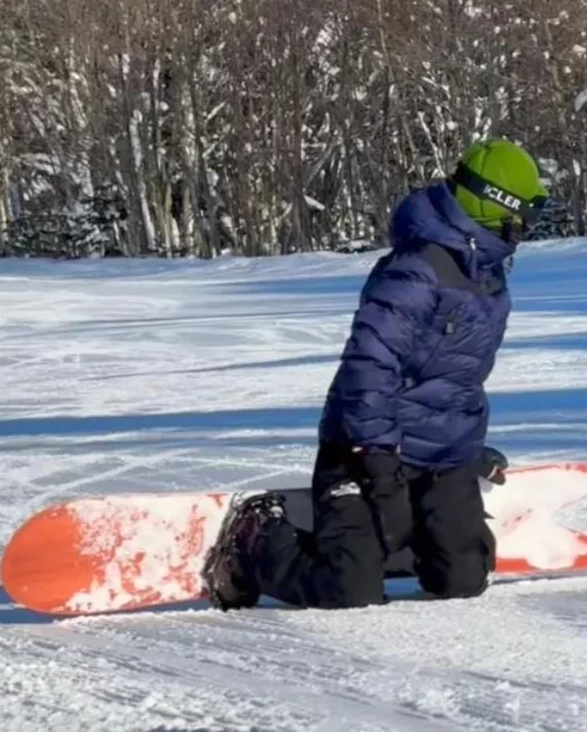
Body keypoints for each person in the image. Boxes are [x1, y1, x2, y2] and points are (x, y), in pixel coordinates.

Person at [204, 137, 549, 610]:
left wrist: (465, 447)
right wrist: (378, 459)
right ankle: (256, 538)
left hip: (441, 456)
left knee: (463, 578)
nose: (527, 227)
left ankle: (397, 536)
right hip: (368, 448)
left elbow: (458, 376)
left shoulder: (486, 273)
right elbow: (367, 367)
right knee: (348, 590)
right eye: (525, 213)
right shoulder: (416, 271)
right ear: (496, 203)